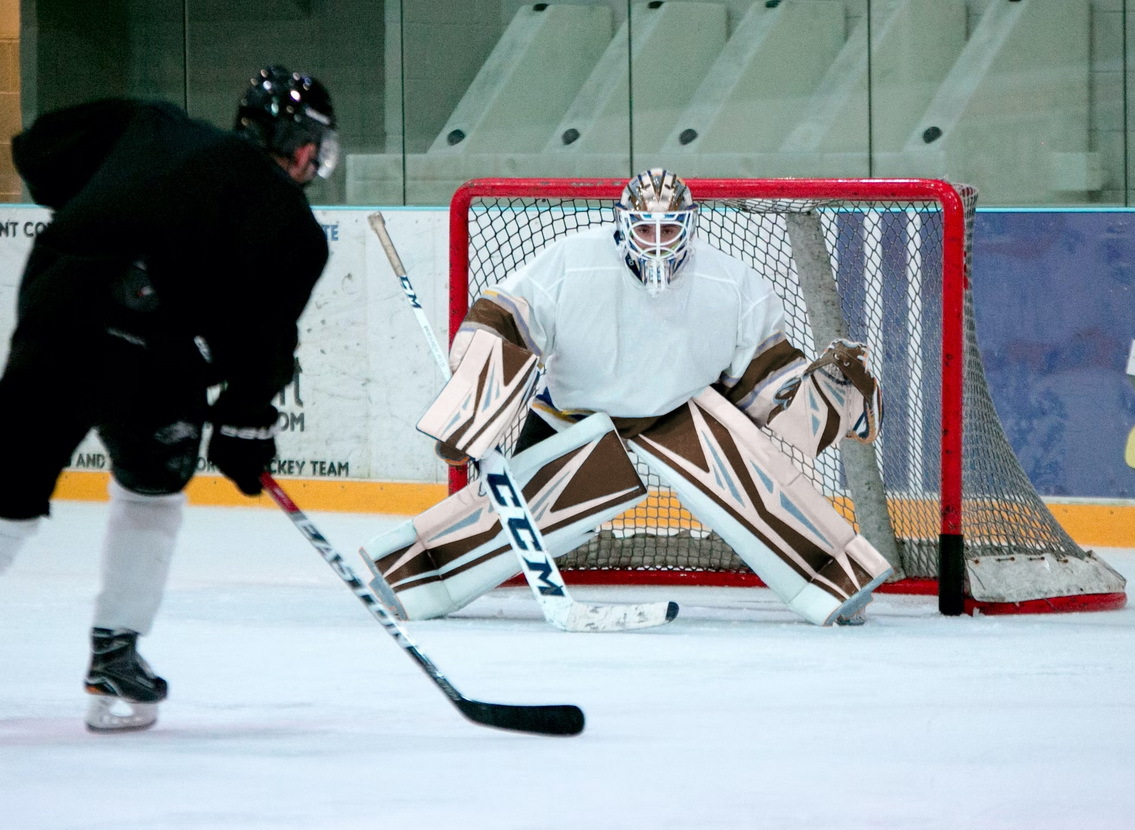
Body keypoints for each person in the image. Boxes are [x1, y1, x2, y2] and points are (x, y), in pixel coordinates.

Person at [361, 168, 893, 628]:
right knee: (520, 506)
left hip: (677, 411)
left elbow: (762, 375)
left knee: (757, 478)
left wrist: (826, 401)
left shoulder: (730, 281)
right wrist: (473, 406)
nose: (657, 240)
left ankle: (833, 576)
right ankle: (416, 571)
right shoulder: (573, 261)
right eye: (645, 226)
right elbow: (504, 318)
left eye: (669, 227)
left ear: (690, 226)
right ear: (622, 224)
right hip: (574, 409)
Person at [0, 66, 337, 732]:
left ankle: (115, 656)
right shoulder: (295, 227)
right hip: (156, 359)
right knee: (151, 494)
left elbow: (36, 150)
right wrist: (245, 429)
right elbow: (264, 345)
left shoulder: (151, 124)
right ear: (301, 145)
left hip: (60, 315)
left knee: (5, 489)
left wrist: (106, 203)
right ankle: (115, 655)